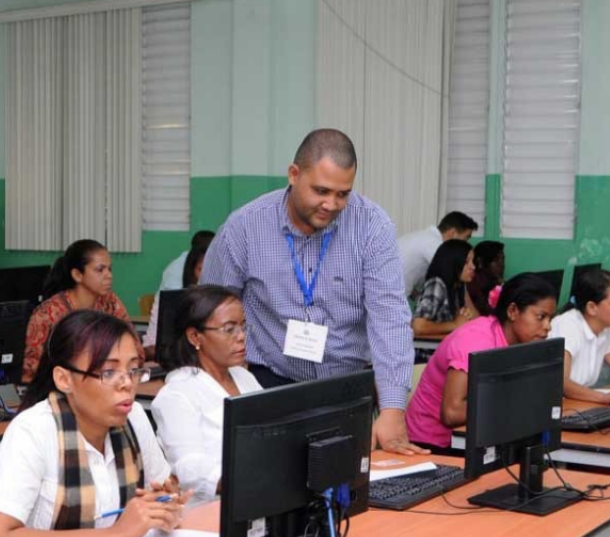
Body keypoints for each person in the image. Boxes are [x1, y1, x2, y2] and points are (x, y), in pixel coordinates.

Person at [200, 128, 420, 454]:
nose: (331, 204)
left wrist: (391, 409)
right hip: (268, 381)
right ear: (293, 174)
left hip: (344, 384)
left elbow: (389, 318)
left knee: (348, 492)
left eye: (342, 194)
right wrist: (219, 386)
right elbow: (209, 308)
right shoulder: (245, 227)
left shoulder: (372, 226)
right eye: (321, 190)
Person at [0, 310, 186, 537]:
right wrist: (117, 535)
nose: (126, 383)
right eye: (108, 371)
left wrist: (164, 508)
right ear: (64, 379)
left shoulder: (134, 420)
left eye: (133, 369)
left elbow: (163, 491)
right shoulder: (33, 430)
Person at [404, 273, 558, 451]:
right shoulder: (476, 341)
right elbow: (451, 413)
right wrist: (513, 405)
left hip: (479, 435)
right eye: (541, 317)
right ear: (513, 311)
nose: (548, 326)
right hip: (431, 444)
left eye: (550, 319)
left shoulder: (522, 343)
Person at [150, 286, 261, 502]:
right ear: (194, 336)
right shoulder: (176, 394)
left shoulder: (244, 377)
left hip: (258, 501)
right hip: (209, 512)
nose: (241, 337)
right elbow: (190, 469)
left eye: (243, 327)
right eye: (229, 329)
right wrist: (255, 480)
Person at [22, 240, 131, 383]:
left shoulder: (110, 302)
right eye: (100, 270)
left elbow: (132, 344)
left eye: (109, 269)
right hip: (59, 387)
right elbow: (31, 368)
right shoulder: (48, 313)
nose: (109, 275)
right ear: (77, 275)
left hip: (104, 381)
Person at [548, 268, 610, 405]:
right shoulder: (567, 325)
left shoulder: (605, 330)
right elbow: (561, 383)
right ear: (592, 308)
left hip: (578, 405)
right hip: (556, 408)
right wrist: (603, 398)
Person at [143, 242, 207, 360]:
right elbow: (152, 345)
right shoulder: (174, 299)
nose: (205, 276)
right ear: (192, 271)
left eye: (210, 270)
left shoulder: (225, 303)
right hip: (174, 358)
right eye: (200, 270)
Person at [396, 211, 479, 295]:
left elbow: (407, 271)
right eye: (465, 238)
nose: (466, 243)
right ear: (453, 233)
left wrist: (418, 297)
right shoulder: (434, 244)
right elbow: (453, 277)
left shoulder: (424, 237)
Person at [411, 239, 479, 335]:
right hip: (431, 348)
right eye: (467, 262)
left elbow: (473, 317)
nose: (473, 267)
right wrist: (455, 324)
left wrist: (466, 315)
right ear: (453, 262)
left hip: (449, 345)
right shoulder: (437, 284)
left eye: (473, 261)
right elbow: (418, 326)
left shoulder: (458, 284)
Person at [467, 240, 505, 317]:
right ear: (480, 262)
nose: (501, 265)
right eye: (496, 260)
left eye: (502, 260)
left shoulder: (495, 283)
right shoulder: (473, 285)